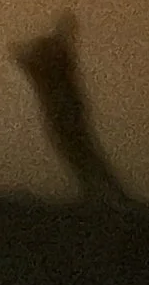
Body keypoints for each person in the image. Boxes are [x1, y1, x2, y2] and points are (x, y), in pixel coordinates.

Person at [9, 11, 132, 203]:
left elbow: (26, 60)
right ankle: (102, 193)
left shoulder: (53, 60)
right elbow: (26, 60)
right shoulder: (54, 60)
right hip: (64, 111)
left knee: (80, 152)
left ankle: (107, 194)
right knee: (80, 153)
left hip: (64, 111)